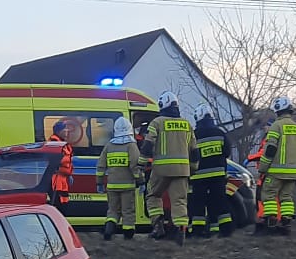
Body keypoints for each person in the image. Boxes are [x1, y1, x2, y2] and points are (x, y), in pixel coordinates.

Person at [144, 93, 196, 245]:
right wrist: (192, 169)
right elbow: (194, 151)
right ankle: (181, 230)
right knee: (179, 200)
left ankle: (158, 226)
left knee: (153, 195)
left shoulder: (157, 122)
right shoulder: (187, 124)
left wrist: (141, 163)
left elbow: (148, 144)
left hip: (161, 169)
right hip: (182, 170)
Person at [257, 95, 296, 233]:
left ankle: (271, 221)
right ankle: (286, 222)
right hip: (293, 171)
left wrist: (263, 168)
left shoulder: (276, 126)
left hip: (276, 170)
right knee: (286, 197)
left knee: (269, 194)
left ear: (277, 111)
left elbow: (270, 149)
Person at [189, 104, 232, 238]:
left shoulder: (194, 136)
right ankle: (224, 229)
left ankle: (198, 230)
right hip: (218, 175)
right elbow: (227, 152)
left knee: (199, 203)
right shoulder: (220, 133)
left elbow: (190, 155)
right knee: (220, 201)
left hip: (199, 176)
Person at [99, 113, 143, 240]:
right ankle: (128, 236)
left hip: (112, 185)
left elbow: (101, 166)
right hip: (127, 186)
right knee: (127, 211)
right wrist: (140, 181)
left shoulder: (109, 146)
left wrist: (99, 183)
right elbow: (135, 166)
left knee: (112, 210)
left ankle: (108, 230)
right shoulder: (131, 146)